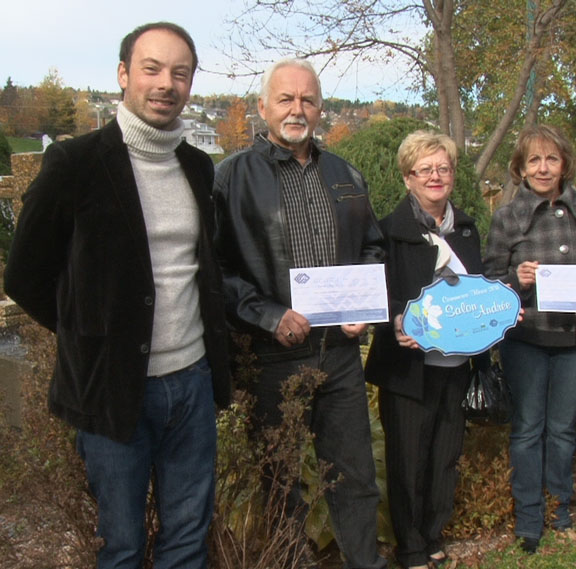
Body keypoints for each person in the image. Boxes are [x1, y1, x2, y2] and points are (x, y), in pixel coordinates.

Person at [4, 22, 231, 568]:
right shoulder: (75, 164)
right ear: (124, 74)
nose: (166, 83)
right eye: (152, 68)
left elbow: (203, 268)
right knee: (122, 546)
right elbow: (26, 276)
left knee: (188, 540)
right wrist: (92, 336)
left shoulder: (197, 167)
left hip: (192, 384)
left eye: (180, 73)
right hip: (111, 389)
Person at [213, 59, 387, 569]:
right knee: (281, 483)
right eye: (285, 99)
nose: (297, 109)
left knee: (355, 476)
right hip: (273, 357)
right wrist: (268, 316)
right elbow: (215, 268)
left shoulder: (345, 174)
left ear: (320, 107)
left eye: (307, 100)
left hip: (339, 354)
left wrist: (361, 304)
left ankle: (366, 563)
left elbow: (372, 246)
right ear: (263, 106)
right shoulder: (232, 177)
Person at [483, 124, 576, 554]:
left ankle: (558, 507)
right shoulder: (507, 218)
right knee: (527, 429)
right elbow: (489, 284)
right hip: (526, 340)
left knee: (561, 430)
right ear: (521, 168)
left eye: (552, 159)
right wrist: (515, 278)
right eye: (534, 160)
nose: (543, 168)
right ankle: (529, 516)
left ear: (564, 165)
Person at [364, 131, 482, 569]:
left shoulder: (466, 228)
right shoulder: (388, 232)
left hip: (457, 363)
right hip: (408, 366)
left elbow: (480, 290)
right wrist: (399, 318)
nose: (436, 176)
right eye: (425, 169)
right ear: (407, 177)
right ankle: (410, 546)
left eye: (443, 168)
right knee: (408, 460)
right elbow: (377, 292)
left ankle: (433, 534)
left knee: (444, 456)